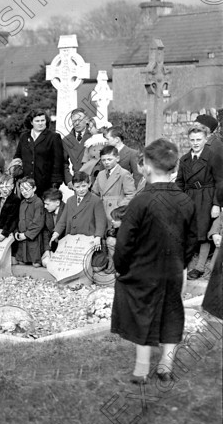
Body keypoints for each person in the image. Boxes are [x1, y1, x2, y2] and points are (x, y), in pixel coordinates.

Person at [111, 138, 198, 384]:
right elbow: (192, 239)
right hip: (173, 269)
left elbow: (124, 242)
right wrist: (181, 264)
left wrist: (121, 267)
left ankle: (140, 371)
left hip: (143, 270)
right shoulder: (185, 201)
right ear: (174, 168)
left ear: (146, 166)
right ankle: (165, 367)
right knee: (172, 312)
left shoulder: (140, 202)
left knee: (142, 313)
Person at [176, 126, 223, 280]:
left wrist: (216, 204)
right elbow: (180, 183)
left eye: (198, 139)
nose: (195, 143)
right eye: (192, 140)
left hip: (207, 197)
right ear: (188, 140)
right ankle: (185, 265)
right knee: (188, 231)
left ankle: (200, 267)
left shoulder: (213, 156)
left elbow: (219, 182)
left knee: (204, 232)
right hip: (189, 198)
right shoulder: (184, 159)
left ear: (205, 139)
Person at [15, 110, 65, 197]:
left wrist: (56, 183)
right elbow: (17, 156)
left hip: (46, 184)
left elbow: (58, 162)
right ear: (31, 122)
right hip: (26, 184)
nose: (40, 123)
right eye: (37, 121)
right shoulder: (24, 137)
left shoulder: (53, 137)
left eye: (43, 120)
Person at [50, 172, 107, 247]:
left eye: (84, 186)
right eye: (77, 187)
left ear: (89, 184)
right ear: (73, 187)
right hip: (71, 239)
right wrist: (55, 234)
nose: (81, 189)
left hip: (88, 240)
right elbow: (62, 221)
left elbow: (101, 222)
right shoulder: (70, 200)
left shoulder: (95, 200)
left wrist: (98, 237)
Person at [91, 145, 136, 219]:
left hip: (116, 214)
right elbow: (94, 193)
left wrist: (118, 206)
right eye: (103, 160)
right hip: (101, 212)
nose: (106, 162)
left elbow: (131, 195)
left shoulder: (124, 174)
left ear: (117, 158)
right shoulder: (100, 174)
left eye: (109, 159)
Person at [14, 178, 45, 267]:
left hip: (33, 237)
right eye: (22, 190)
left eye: (27, 189)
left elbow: (38, 223)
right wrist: (16, 232)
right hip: (22, 236)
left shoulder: (38, 202)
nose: (24, 192)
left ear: (34, 188)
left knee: (35, 263)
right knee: (21, 262)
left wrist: (27, 235)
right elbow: (18, 219)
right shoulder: (22, 202)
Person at [62, 109, 92, 185]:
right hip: (77, 181)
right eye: (74, 121)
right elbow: (63, 162)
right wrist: (68, 180)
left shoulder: (94, 136)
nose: (77, 123)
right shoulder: (66, 140)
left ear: (86, 120)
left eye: (80, 120)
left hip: (93, 180)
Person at [0, 174, 20, 241]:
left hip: (6, 232)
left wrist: (4, 233)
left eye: (7, 186)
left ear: (12, 186)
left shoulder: (15, 200)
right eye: (1, 187)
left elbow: (12, 219)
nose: (4, 189)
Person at [41, 188, 65, 254]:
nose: (45, 206)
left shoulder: (67, 210)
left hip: (65, 248)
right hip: (53, 247)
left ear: (57, 203)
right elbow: (46, 232)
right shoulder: (47, 211)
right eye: (44, 203)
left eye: (47, 204)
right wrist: (47, 250)